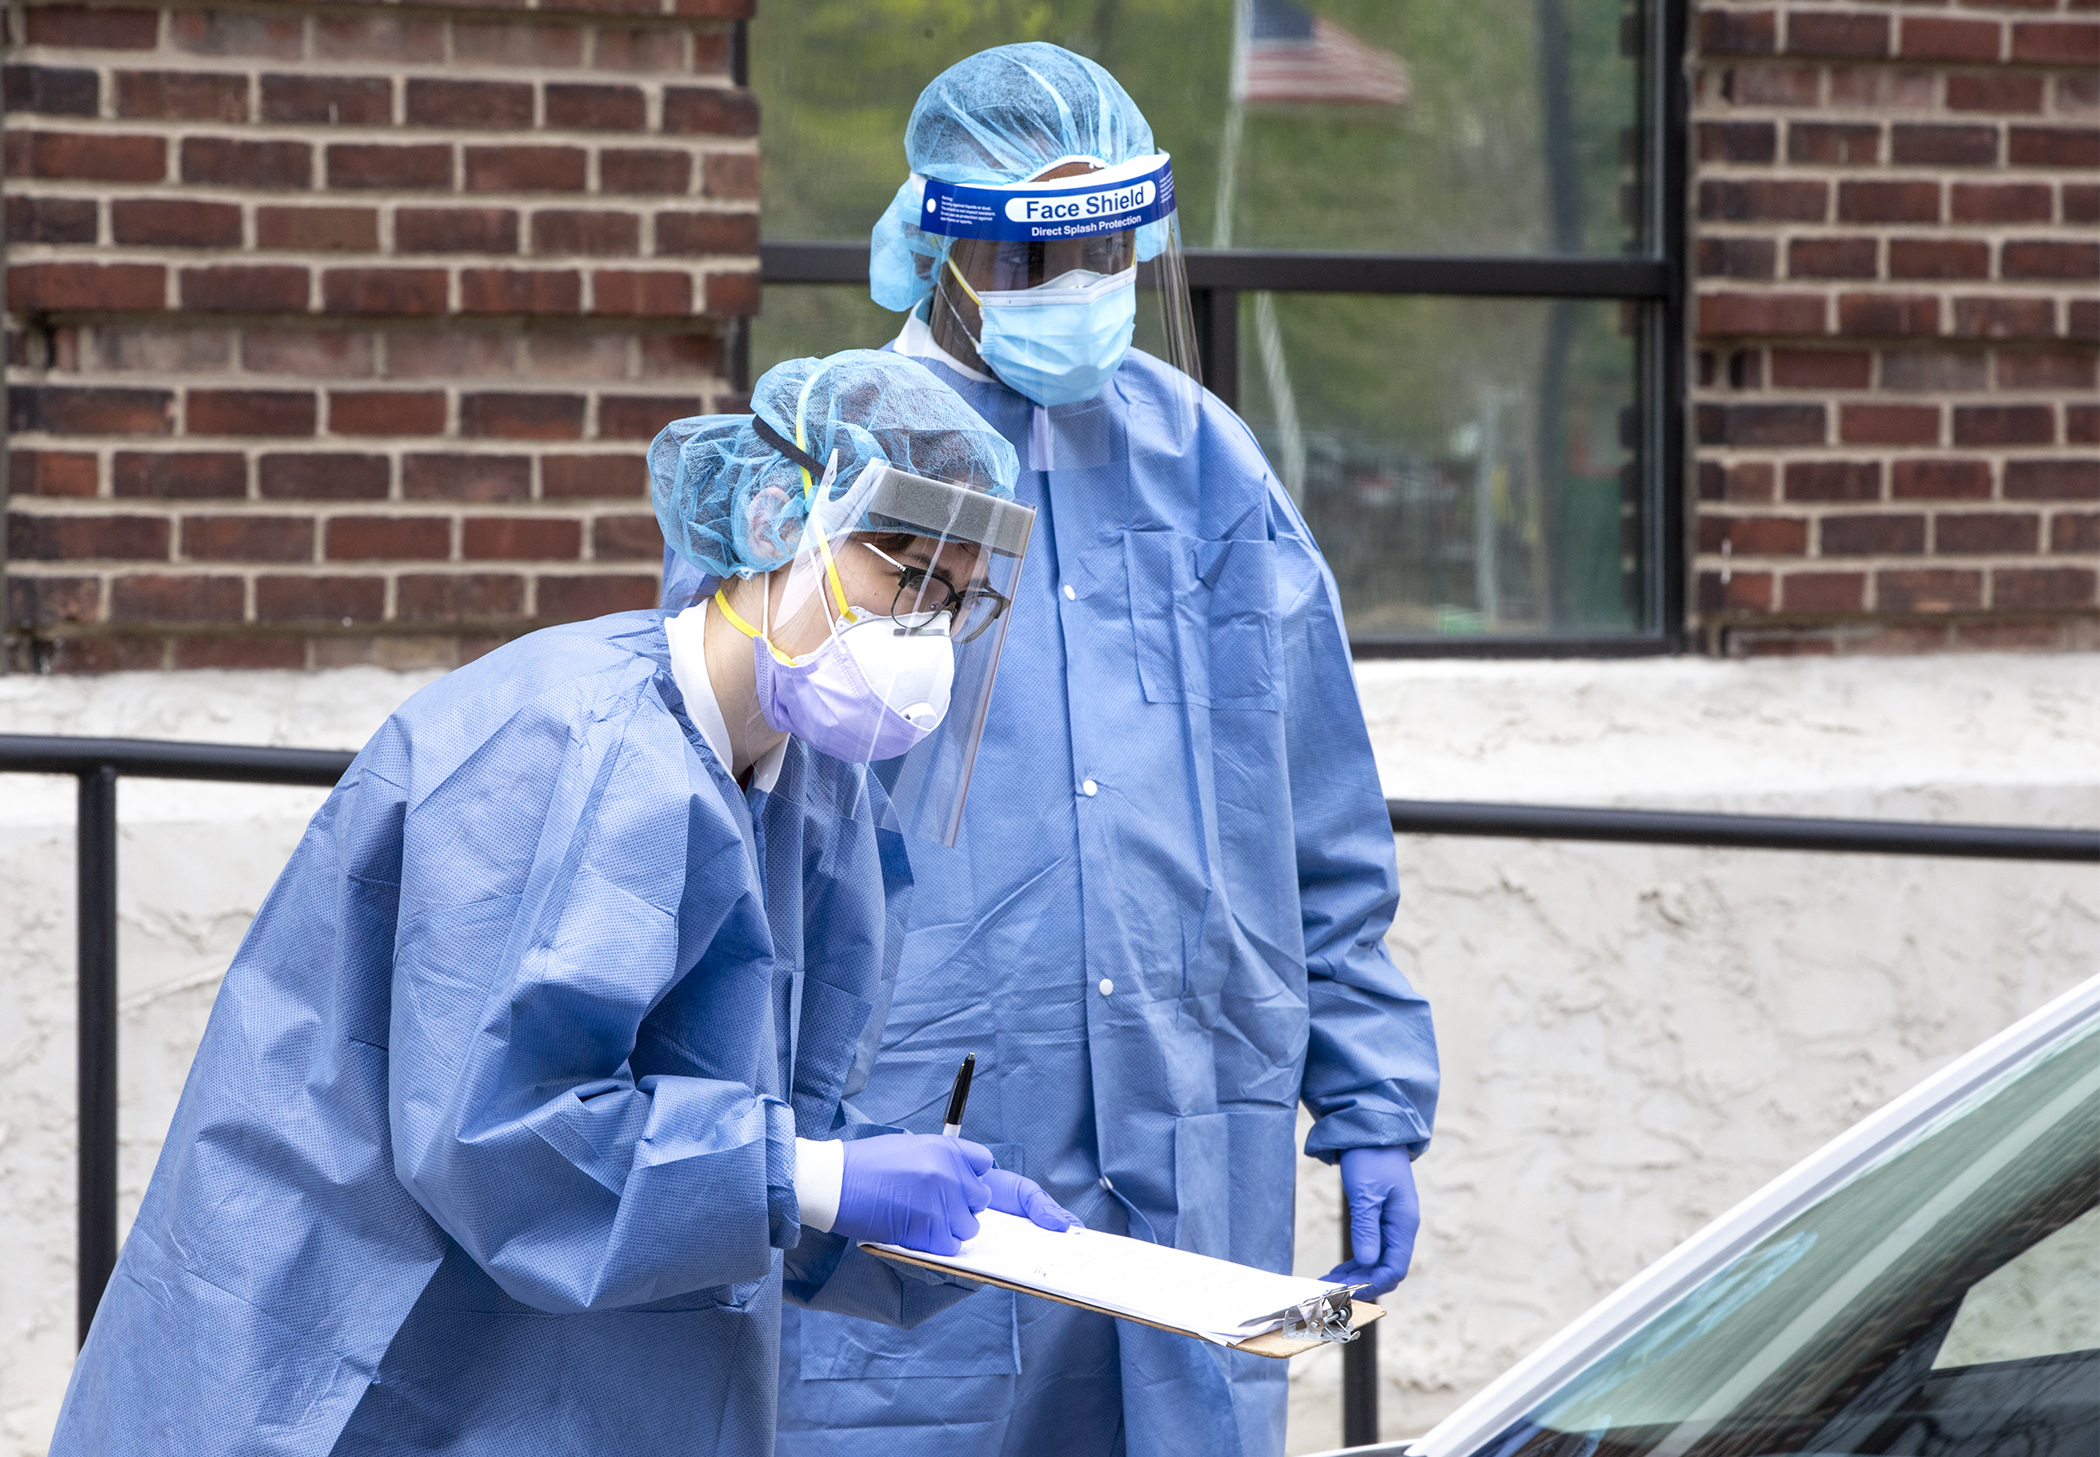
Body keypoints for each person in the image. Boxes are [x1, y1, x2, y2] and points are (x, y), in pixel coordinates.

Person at [51, 350, 1077, 1457]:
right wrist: (816, 1176)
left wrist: (944, 1240)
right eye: (904, 573)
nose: (927, 630)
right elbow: (502, 1133)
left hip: (566, 1376)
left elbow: (753, 1146)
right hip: (342, 1363)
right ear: (782, 518)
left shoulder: (811, 798)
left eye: (958, 597)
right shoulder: (568, 745)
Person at [758, 43, 1440, 1457]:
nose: (1079, 286)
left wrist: (1369, 1092)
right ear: (937, 244)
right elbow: (715, 822)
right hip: (918, 1137)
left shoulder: (1203, 463)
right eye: (1036, 255)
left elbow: (1316, 808)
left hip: (1191, 1131)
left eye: (1109, 248)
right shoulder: (832, 464)